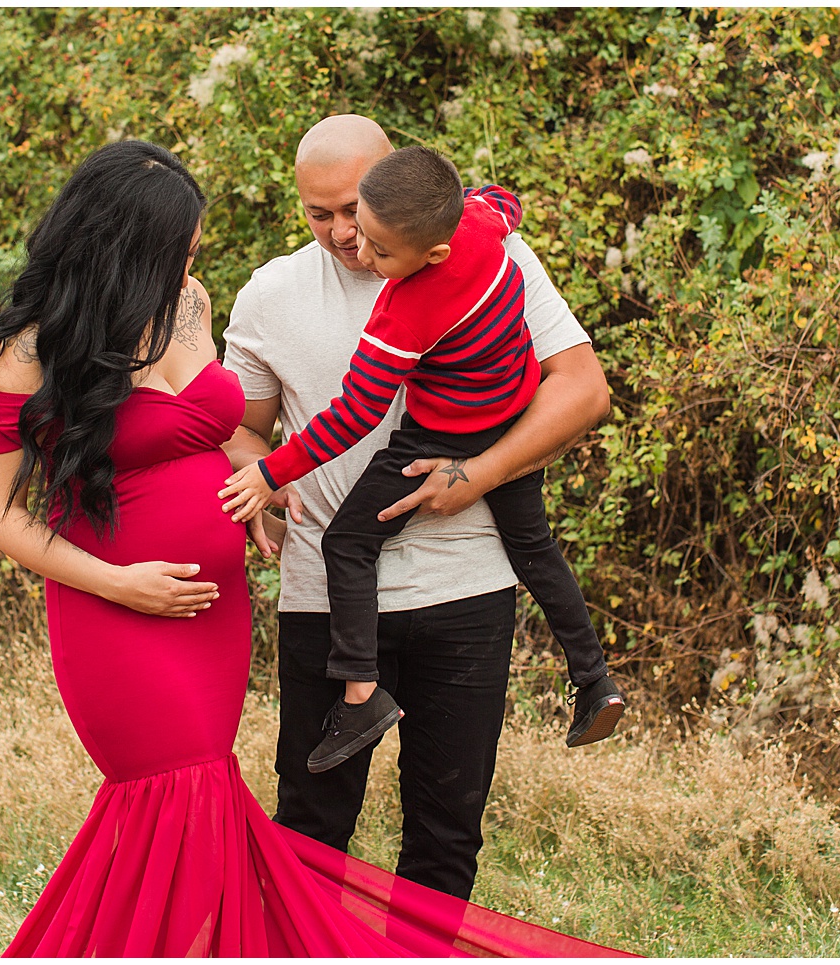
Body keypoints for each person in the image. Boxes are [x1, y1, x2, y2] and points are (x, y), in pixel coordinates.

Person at [0, 138, 627, 957]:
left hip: (220, 614)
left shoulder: (189, 302)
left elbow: (210, 432)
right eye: (176, 250)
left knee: (217, 810)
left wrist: (252, 494)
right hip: (123, 610)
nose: (189, 265)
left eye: (191, 251)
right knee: (184, 807)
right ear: (123, 246)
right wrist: (122, 580)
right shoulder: (38, 347)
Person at [220, 114, 613, 902]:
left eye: (350, 209)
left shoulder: (486, 254)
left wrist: (475, 474)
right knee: (309, 830)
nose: (340, 232)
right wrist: (259, 478)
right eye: (316, 213)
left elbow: (583, 389)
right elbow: (241, 428)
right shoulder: (272, 293)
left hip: (466, 588)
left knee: (444, 837)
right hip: (325, 601)